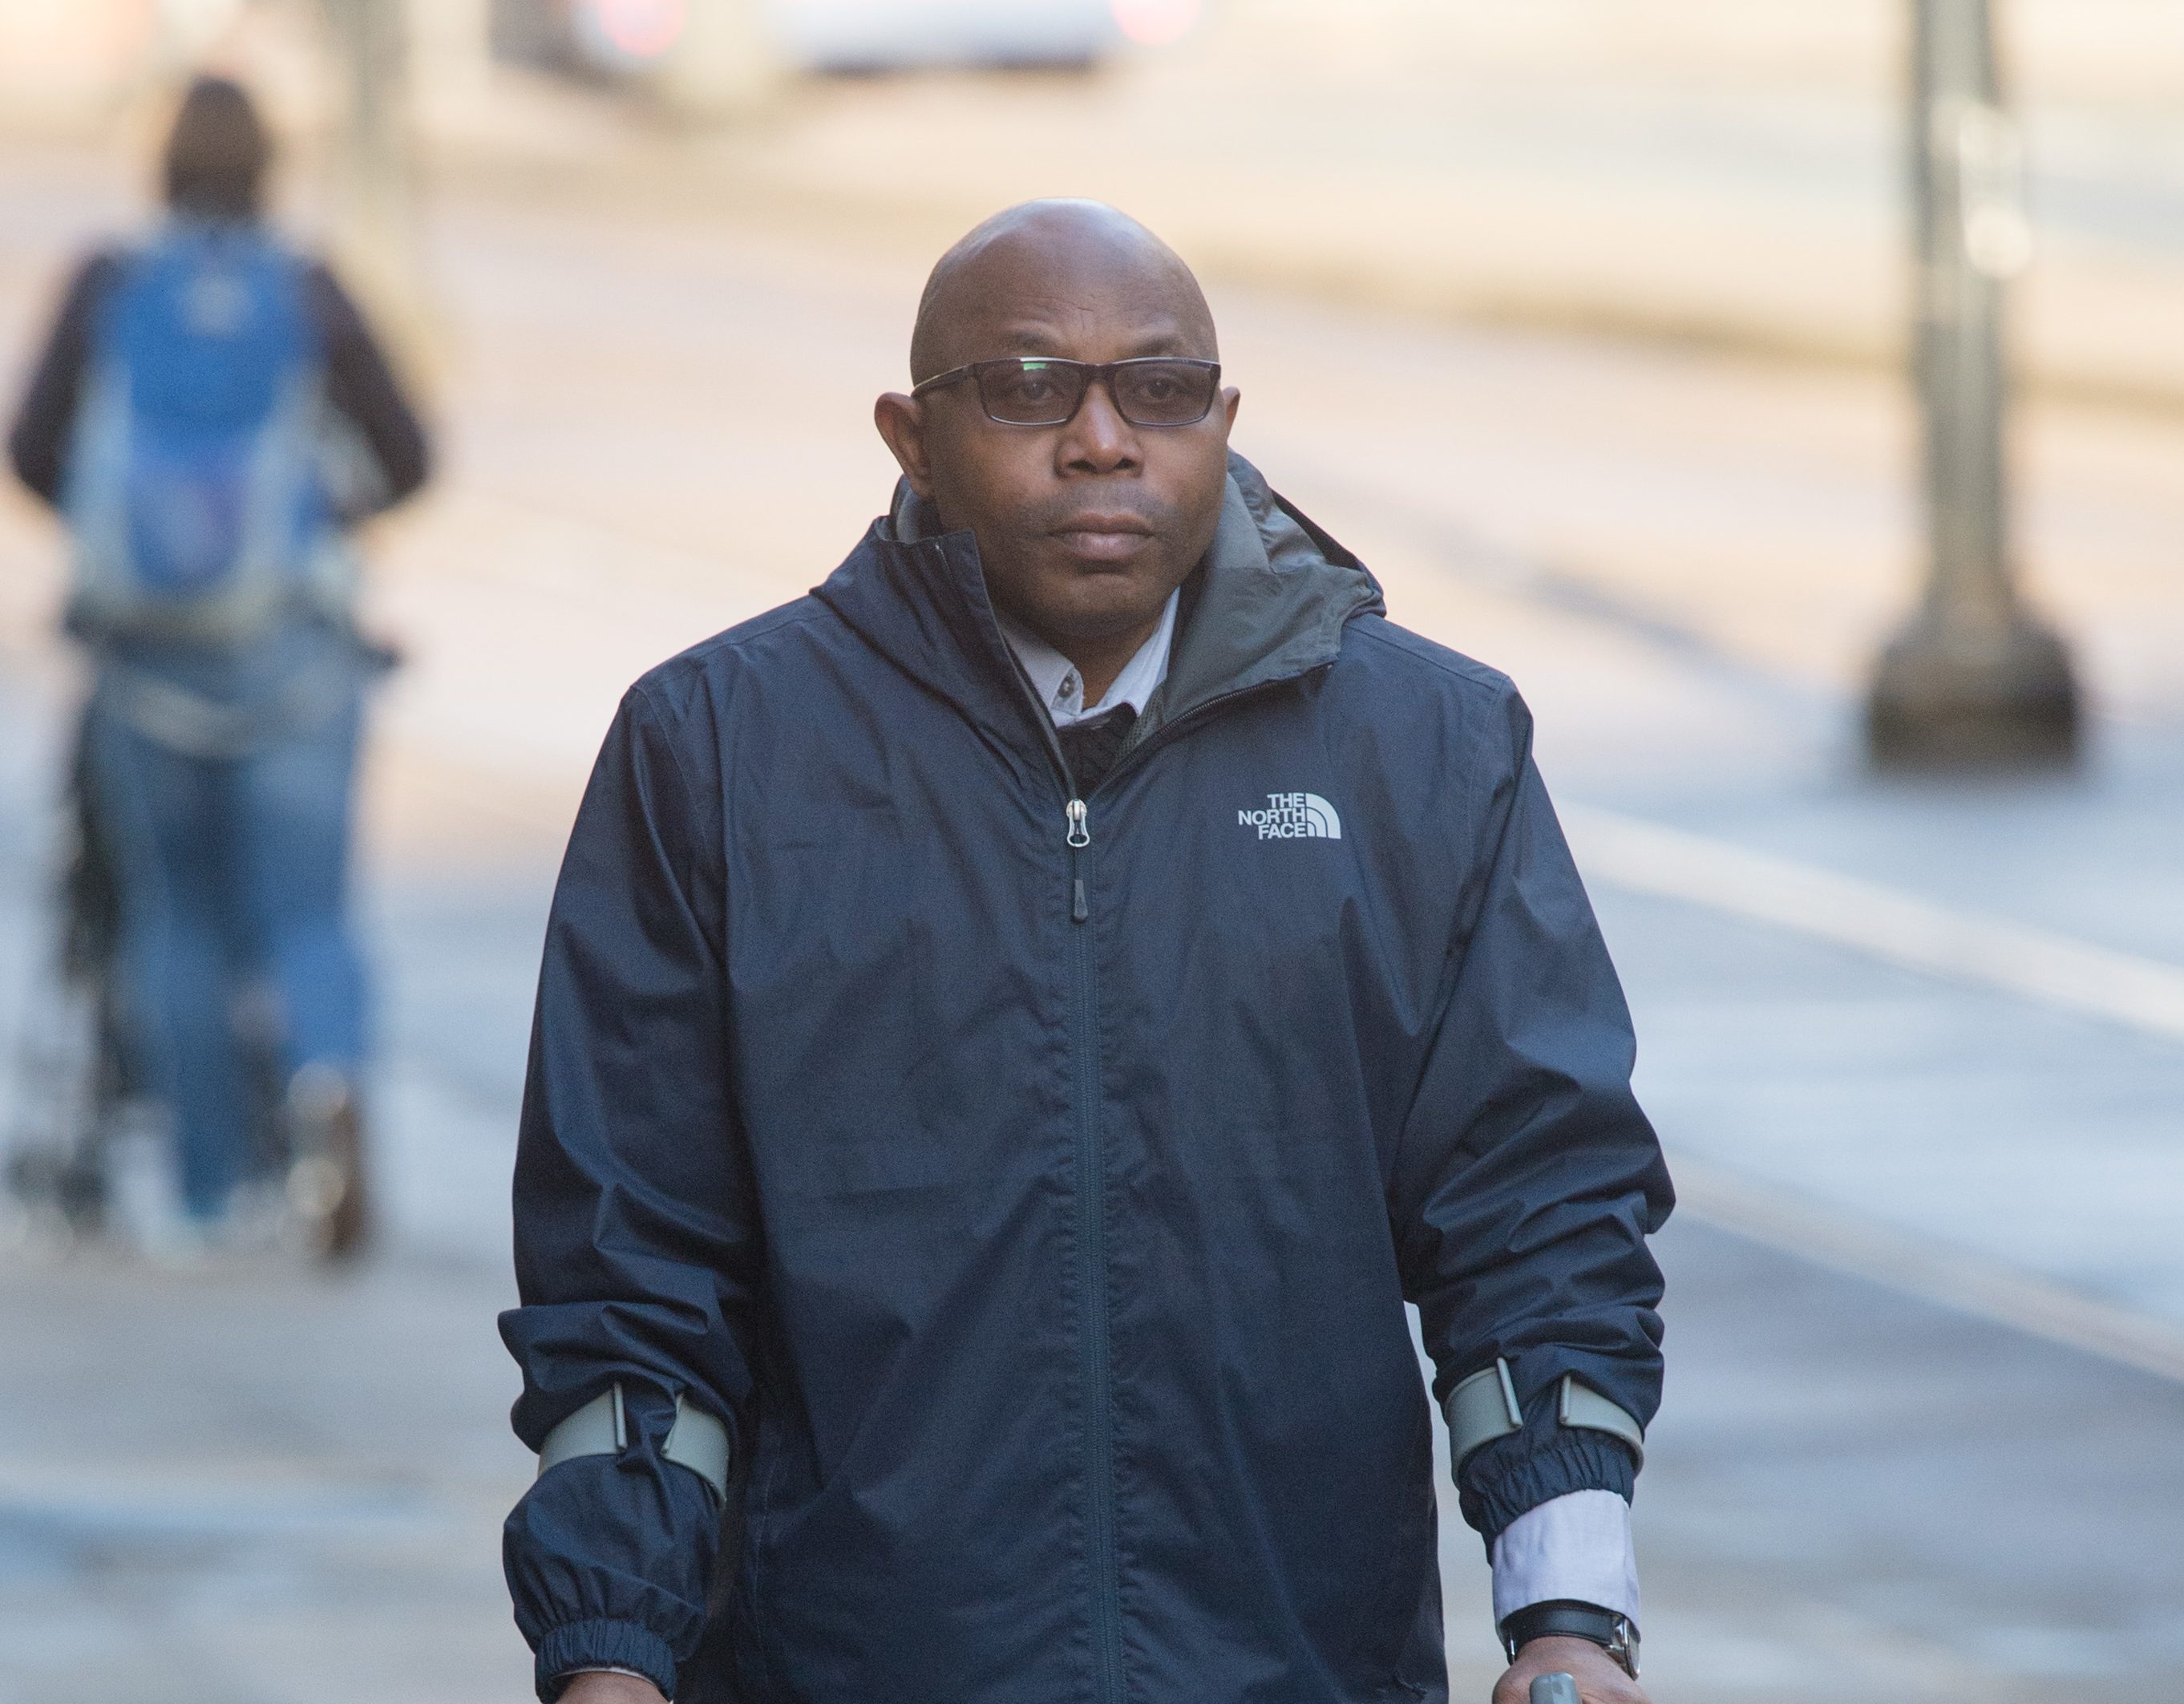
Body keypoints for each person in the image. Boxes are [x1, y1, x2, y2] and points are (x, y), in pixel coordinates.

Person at [500, 200, 1670, 1704]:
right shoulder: (716, 750)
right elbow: (631, 1265)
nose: (1103, 440)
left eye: (1161, 391)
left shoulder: (1431, 748)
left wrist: (1569, 1610)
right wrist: (610, 1651)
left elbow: (1537, 1208)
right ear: (909, 439)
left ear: (1224, 421)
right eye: (1029, 387)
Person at [6, 75, 429, 1255]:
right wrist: (329, 510)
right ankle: (323, 1079)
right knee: (308, 906)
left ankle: (207, 1190)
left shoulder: (109, 285)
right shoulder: (306, 289)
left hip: (144, 661)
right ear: (267, 166)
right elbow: (411, 451)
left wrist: (120, 541)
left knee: (171, 916)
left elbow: (32, 446)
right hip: (294, 647)